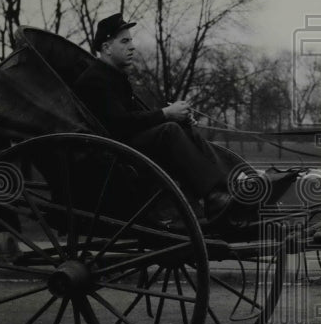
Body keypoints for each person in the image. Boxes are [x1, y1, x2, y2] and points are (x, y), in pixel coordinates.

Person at [73, 13, 234, 220]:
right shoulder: (95, 80)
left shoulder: (113, 76)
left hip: (125, 146)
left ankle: (225, 188)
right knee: (169, 131)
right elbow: (119, 124)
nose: (132, 46)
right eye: (125, 41)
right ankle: (214, 196)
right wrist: (166, 114)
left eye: (131, 40)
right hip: (112, 155)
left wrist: (174, 116)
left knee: (181, 127)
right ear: (106, 48)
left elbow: (133, 116)